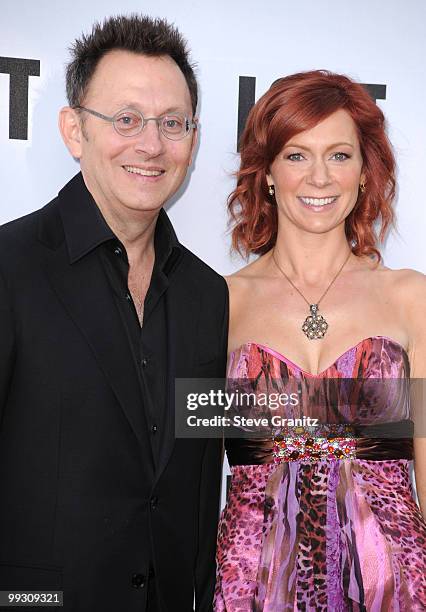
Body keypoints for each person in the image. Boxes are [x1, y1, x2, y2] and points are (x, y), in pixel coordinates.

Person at [0, 15, 228, 612]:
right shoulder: (9, 267)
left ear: (193, 138)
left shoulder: (207, 293)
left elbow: (198, 479)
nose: (151, 145)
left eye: (172, 124)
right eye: (126, 120)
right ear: (74, 130)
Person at [214, 70, 426, 610]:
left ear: (363, 172)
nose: (319, 178)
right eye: (296, 155)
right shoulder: (217, 304)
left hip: (393, 586)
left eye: (339, 155)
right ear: (266, 174)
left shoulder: (410, 300)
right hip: (252, 586)